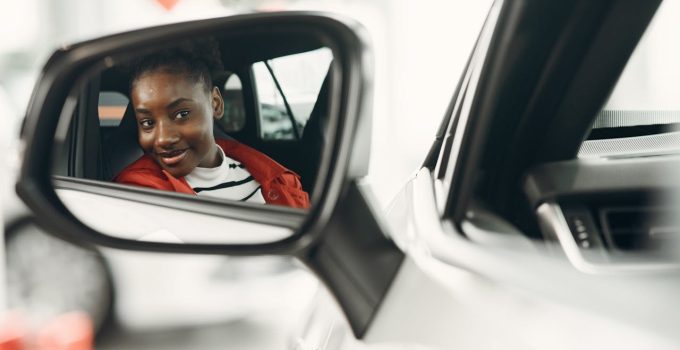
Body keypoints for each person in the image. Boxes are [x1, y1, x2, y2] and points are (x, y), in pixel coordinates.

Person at [114, 41, 310, 209]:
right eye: (147, 123)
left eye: (182, 114)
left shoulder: (280, 181)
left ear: (215, 103)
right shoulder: (139, 191)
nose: (164, 138)